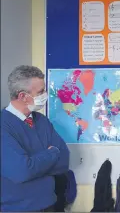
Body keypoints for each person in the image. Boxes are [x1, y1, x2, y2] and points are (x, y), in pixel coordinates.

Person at [1, 65, 70, 212]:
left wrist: (34, 163)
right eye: (40, 92)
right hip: (17, 208)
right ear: (22, 96)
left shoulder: (42, 121)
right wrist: (51, 153)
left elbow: (64, 159)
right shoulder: (3, 125)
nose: (45, 94)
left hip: (50, 204)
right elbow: (21, 171)